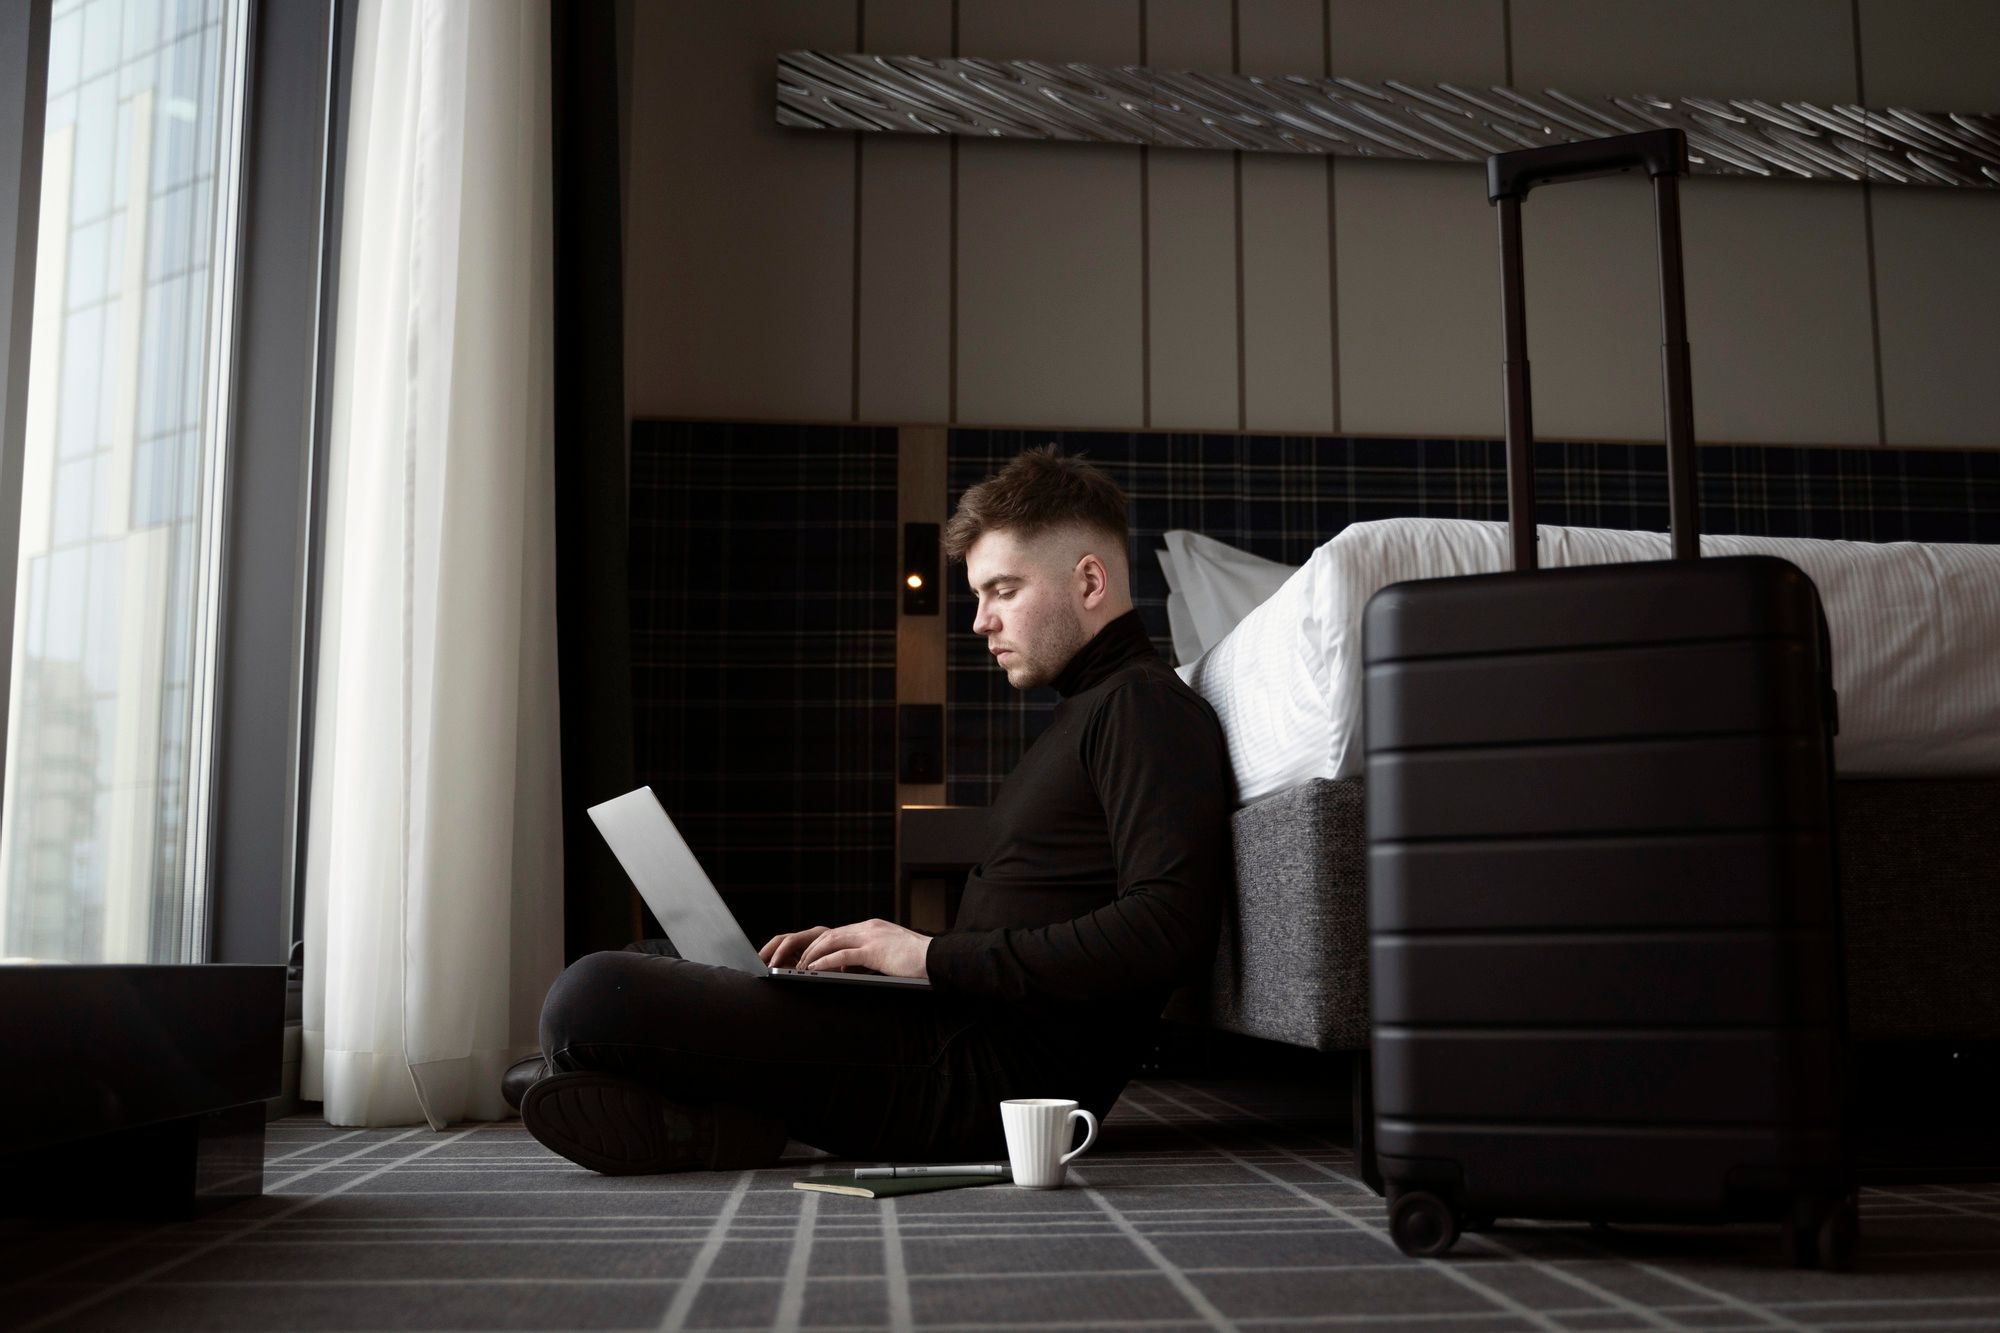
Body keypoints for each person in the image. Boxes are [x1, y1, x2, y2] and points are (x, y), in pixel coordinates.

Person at [513, 445, 1233, 1174]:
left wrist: (923, 955)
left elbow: (1166, 927)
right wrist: (877, 960)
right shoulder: (1086, 712)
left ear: (1089, 579)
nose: (981, 620)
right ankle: (705, 1116)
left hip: (987, 1089)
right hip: (943, 1028)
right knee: (657, 962)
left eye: (1002, 590)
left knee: (589, 997)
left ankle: (665, 1098)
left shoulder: (1145, 708)